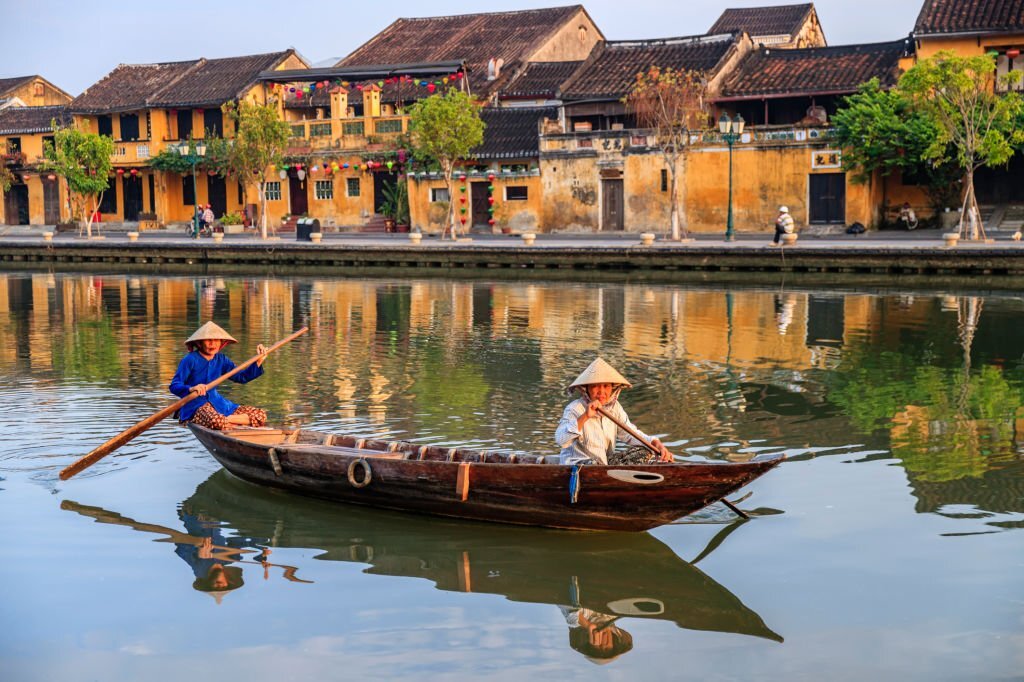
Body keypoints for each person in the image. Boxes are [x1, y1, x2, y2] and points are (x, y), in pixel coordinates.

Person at [555, 357, 672, 465]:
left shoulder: (615, 408)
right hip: (577, 466)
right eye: (595, 386)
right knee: (594, 464)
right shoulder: (575, 408)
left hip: (604, 464)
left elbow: (631, 433)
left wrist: (657, 444)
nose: (601, 392)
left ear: (612, 389)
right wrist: (585, 416)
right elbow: (561, 440)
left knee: (645, 451)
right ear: (587, 389)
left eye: (606, 386)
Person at [170, 321, 268, 430]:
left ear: (221, 342)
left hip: (219, 404)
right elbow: (174, 386)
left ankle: (228, 419)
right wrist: (192, 388)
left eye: (216, 340)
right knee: (216, 420)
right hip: (196, 406)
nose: (213, 344)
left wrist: (258, 361)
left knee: (261, 415)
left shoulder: (222, 359)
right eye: (209, 340)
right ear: (199, 343)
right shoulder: (190, 360)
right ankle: (231, 421)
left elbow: (242, 377)